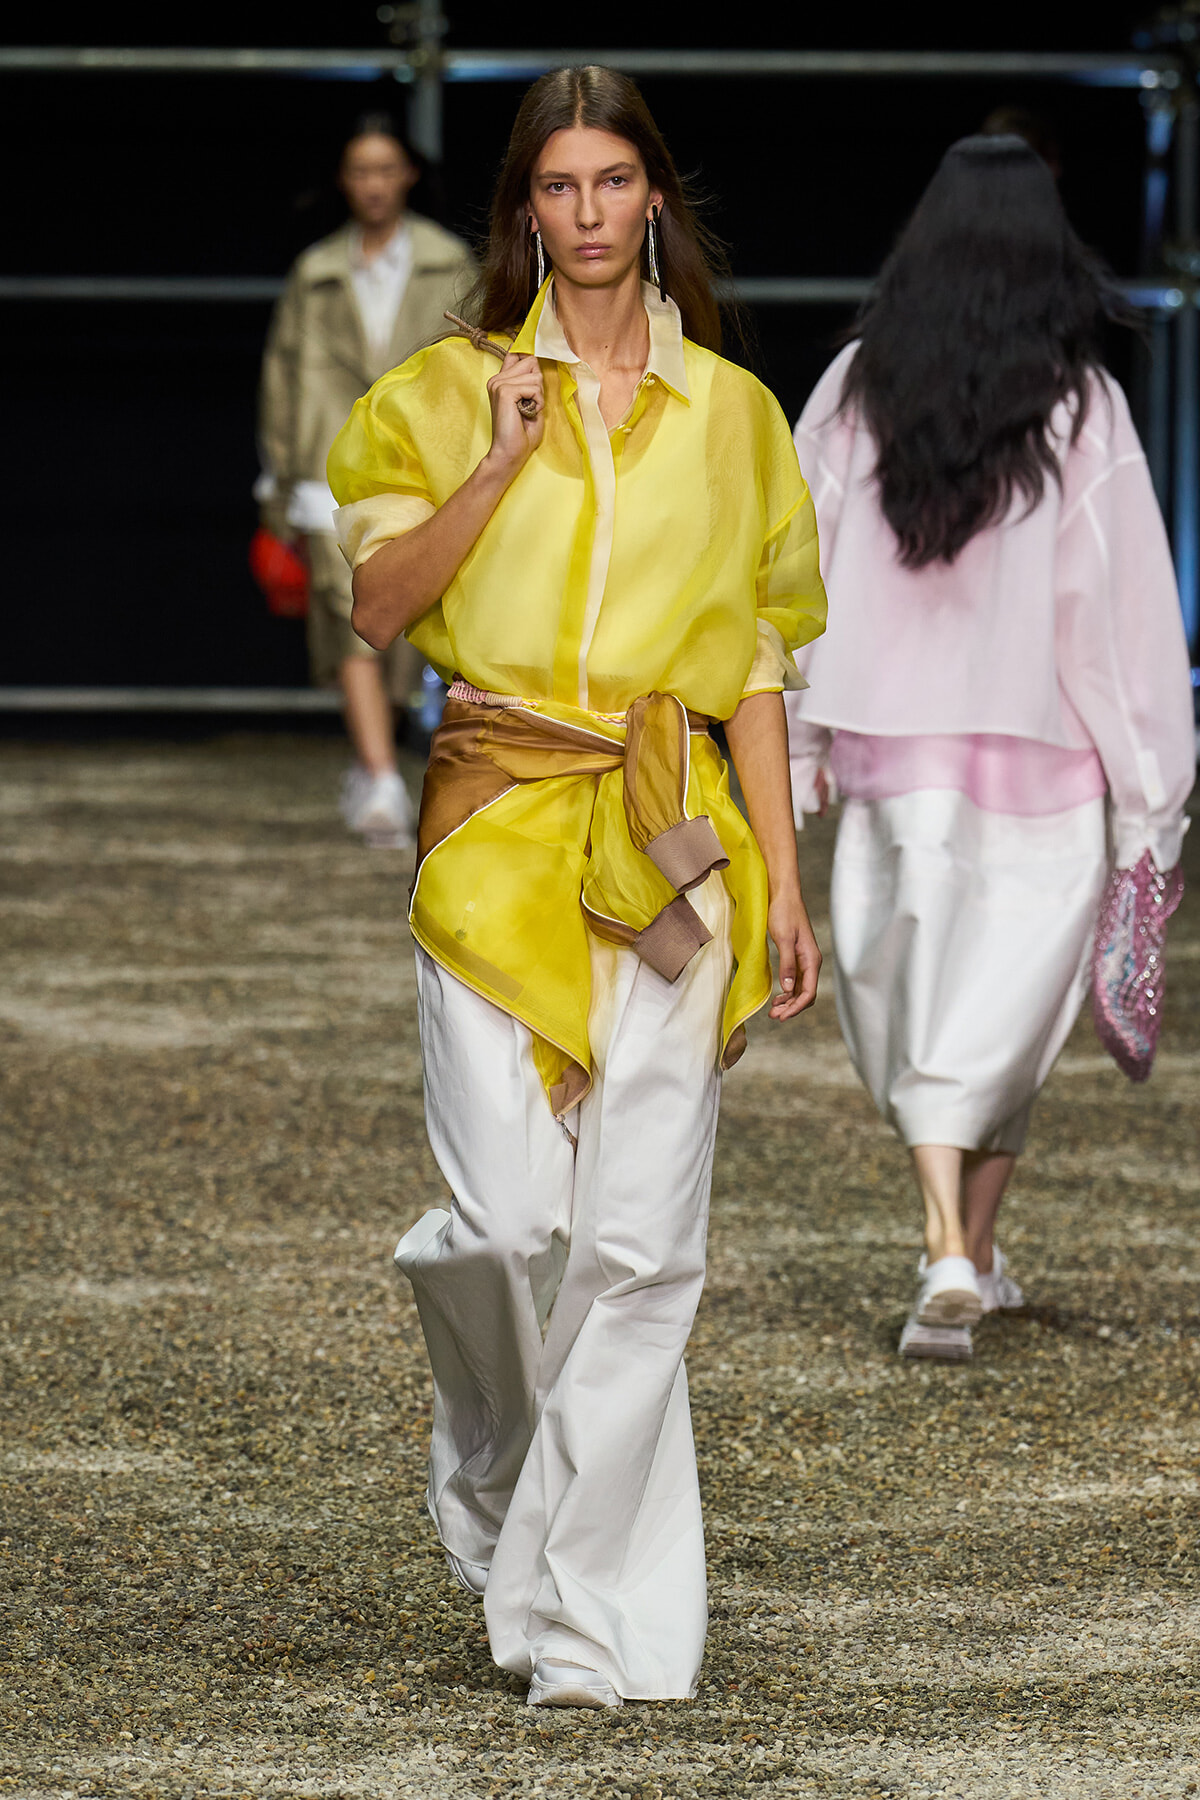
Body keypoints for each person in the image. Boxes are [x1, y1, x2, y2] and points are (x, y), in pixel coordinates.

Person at [326, 66, 826, 1706]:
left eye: (617, 181)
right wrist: (493, 464)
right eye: (562, 187)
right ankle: (486, 1460)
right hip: (497, 834)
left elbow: (753, 664)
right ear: (524, 210)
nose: (592, 212)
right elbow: (378, 608)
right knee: (506, 1226)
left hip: (677, 844)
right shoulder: (445, 390)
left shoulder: (738, 417)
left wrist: (794, 880)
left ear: (654, 200)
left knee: (640, 1247)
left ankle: (586, 1629)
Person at [786, 135, 1194, 1363]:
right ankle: (951, 1252)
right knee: (1009, 1016)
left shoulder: (855, 387)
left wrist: (796, 740)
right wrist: (1153, 795)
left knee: (923, 1020)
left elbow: (791, 572)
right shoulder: (1080, 404)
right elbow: (1116, 614)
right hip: (1044, 768)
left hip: (891, 766)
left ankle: (959, 1249)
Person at [258, 112, 473, 845]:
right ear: (343, 180)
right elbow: (283, 375)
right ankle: (380, 774)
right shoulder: (315, 271)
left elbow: (477, 367)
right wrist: (277, 478)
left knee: (413, 630)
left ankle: (397, 762)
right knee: (349, 619)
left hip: (424, 469)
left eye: (387, 169)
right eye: (360, 170)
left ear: (409, 174)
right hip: (325, 467)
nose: (374, 184)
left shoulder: (450, 262)